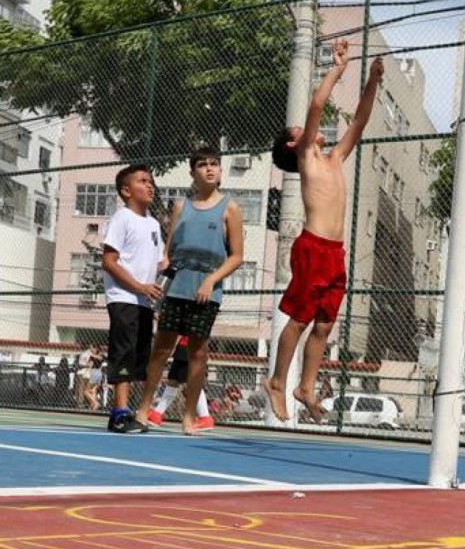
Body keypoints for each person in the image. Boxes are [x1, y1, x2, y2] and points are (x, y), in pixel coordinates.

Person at [263, 38, 384, 423]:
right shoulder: (307, 159)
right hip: (313, 247)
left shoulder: (335, 157)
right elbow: (317, 103)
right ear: (294, 144)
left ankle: (306, 387)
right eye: (300, 129)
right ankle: (279, 381)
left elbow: (360, 121)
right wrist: (338, 68)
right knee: (298, 321)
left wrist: (373, 81)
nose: (311, 126)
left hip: (335, 254)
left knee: (325, 324)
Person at [134, 146, 243, 435]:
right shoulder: (181, 206)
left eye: (215, 164)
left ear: (220, 171)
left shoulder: (230, 207)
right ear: (193, 171)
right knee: (161, 349)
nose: (210, 168)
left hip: (207, 289)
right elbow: (169, 251)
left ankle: (189, 416)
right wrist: (161, 269)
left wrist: (211, 280)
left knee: (197, 353)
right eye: (203, 164)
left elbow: (236, 256)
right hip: (177, 287)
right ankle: (143, 409)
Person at [102, 163, 165, 433]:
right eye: (142, 181)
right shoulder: (121, 218)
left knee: (139, 357)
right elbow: (109, 261)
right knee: (124, 353)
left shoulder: (153, 224)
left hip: (143, 302)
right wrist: (140, 287)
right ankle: (119, 413)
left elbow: (160, 262)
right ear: (126, 190)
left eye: (151, 181)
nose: (149, 185)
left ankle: (128, 413)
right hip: (123, 297)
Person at [146, 336, 214, 430]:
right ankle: (156, 414)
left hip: (189, 346)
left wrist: (171, 346)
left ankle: (205, 417)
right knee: (173, 380)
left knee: (190, 383)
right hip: (182, 347)